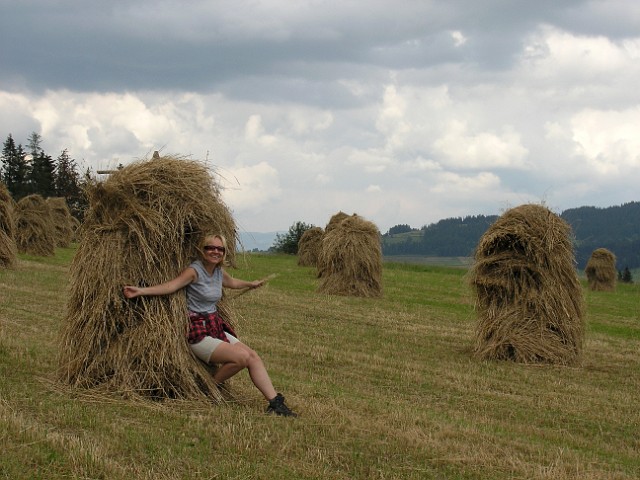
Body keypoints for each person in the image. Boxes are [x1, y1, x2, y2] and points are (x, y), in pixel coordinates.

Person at [123, 233, 297, 417]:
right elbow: (170, 287)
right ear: (202, 249)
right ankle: (208, 390)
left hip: (214, 325)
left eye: (219, 249)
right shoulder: (194, 271)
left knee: (252, 356)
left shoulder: (218, 272)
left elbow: (232, 283)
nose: (215, 251)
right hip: (197, 330)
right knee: (241, 358)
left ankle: (275, 404)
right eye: (210, 248)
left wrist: (250, 284)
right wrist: (140, 291)